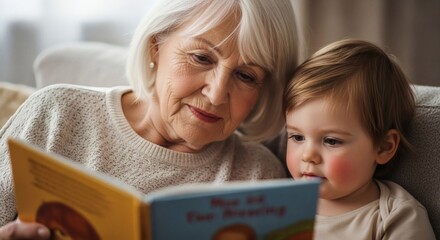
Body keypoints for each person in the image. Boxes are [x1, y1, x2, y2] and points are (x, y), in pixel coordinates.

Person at [0, 0, 300, 239]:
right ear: (156, 45)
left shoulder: (257, 175)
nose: (217, 94)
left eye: (246, 76)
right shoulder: (58, 112)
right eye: (202, 58)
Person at [283, 39, 436, 239]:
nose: (308, 155)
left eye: (331, 141)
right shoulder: (277, 205)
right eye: (297, 136)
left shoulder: (395, 216)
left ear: (383, 147)